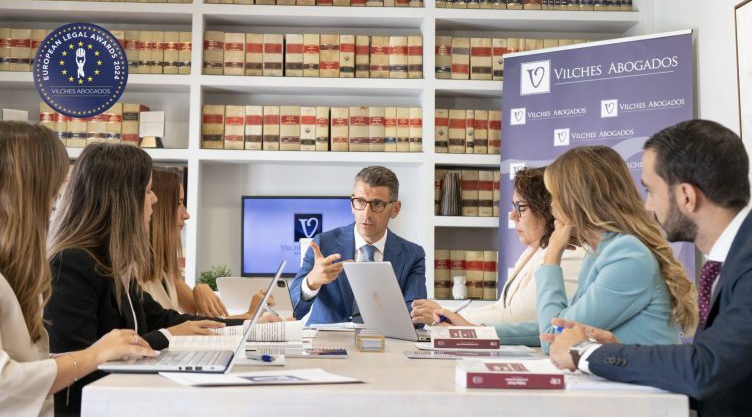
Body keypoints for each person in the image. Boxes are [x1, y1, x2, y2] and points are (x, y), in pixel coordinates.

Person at [546, 120, 752, 417]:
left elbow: (706, 367)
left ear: (686, 196)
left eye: (651, 191)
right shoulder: (734, 257)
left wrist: (586, 352)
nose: (647, 206)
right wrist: (616, 349)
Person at [0, 121, 157, 416]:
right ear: (25, 192)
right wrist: (93, 356)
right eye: (52, 192)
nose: (55, 204)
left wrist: (99, 353)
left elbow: (27, 366)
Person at [44, 143, 244, 416]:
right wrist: (168, 336)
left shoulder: (112, 264)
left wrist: (246, 326)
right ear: (122, 200)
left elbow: (163, 319)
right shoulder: (71, 264)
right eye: (148, 190)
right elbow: (77, 367)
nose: (155, 199)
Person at [438, 145, 698, 348]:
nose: (551, 207)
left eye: (556, 197)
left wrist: (552, 257)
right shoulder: (602, 252)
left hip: (642, 395)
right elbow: (551, 325)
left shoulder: (626, 257)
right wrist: (474, 332)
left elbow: (554, 338)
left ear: (577, 201)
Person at [410, 167, 585, 326]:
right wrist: (446, 314)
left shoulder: (567, 254)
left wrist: (445, 316)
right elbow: (500, 308)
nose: (513, 216)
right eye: (514, 206)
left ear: (548, 210)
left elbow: (519, 318)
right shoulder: (533, 250)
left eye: (521, 207)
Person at [290, 166, 426, 325]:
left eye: (377, 204)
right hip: (326, 339)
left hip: (383, 339)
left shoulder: (413, 254)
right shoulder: (323, 243)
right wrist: (312, 282)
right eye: (360, 202)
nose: (366, 214)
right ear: (352, 204)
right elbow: (295, 309)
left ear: (395, 209)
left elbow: (416, 319)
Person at [143, 167, 266, 319]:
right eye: (178, 203)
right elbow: (182, 324)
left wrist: (200, 288)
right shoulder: (134, 272)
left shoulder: (164, 268)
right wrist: (249, 316)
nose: (186, 214)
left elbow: (199, 315)